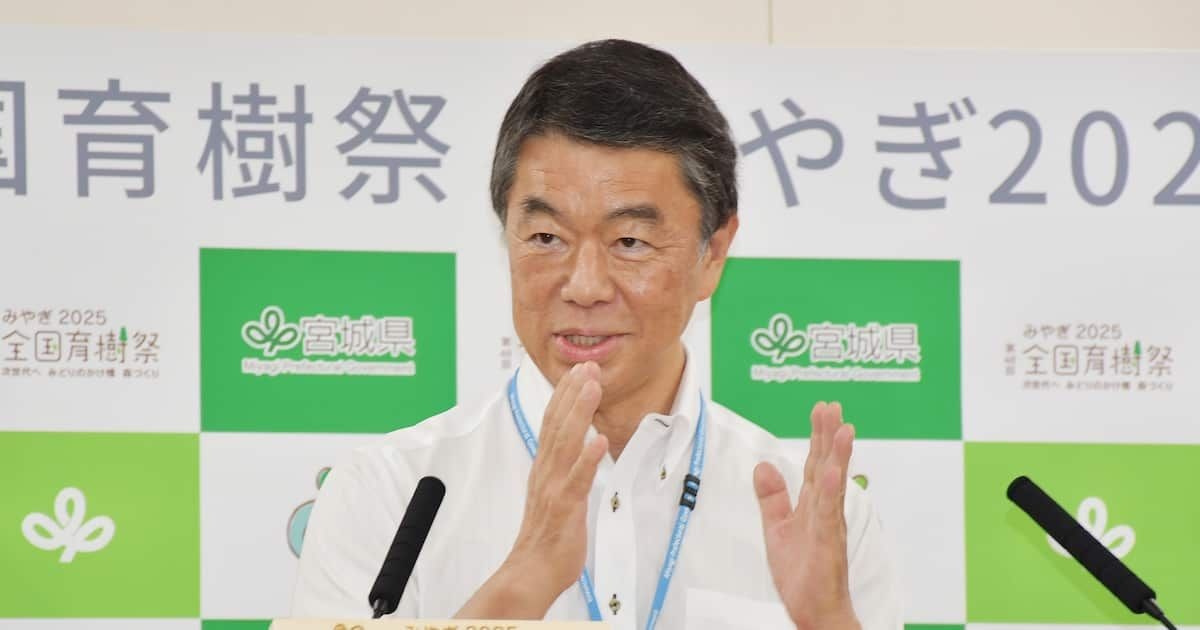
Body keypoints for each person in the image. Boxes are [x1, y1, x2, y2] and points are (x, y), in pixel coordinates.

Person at [292, 39, 901, 630]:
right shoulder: (390, 492)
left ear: (713, 254)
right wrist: (524, 578)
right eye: (546, 238)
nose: (584, 287)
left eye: (629, 241)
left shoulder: (814, 517)